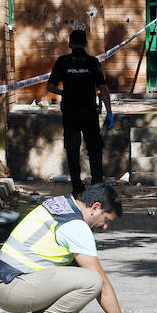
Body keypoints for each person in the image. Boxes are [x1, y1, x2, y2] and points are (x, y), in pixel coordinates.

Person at [0, 183, 141, 313]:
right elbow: (102, 283)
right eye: (106, 220)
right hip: (11, 289)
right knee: (92, 281)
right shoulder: (75, 226)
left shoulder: (61, 204)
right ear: (95, 207)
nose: (104, 227)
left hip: (4, 284)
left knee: (77, 269)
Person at [47, 29, 115, 197]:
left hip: (70, 113)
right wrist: (109, 112)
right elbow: (103, 89)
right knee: (94, 148)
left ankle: (77, 186)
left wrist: (65, 93)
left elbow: (50, 86)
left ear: (70, 43)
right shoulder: (93, 62)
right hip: (89, 112)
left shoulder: (63, 61)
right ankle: (97, 184)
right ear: (85, 43)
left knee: (72, 149)